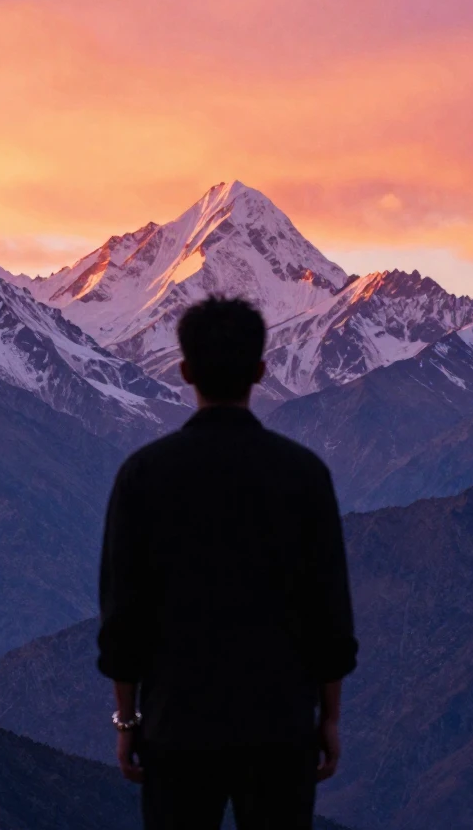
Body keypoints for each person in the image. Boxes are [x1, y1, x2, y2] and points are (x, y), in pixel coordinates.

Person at [97, 295, 358, 830]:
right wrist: (328, 718)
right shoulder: (304, 474)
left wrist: (128, 720)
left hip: (177, 727)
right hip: (281, 726)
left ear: (185, 370)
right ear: (261, 371)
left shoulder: (143, 475)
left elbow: (122, 617)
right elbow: (329, 613)